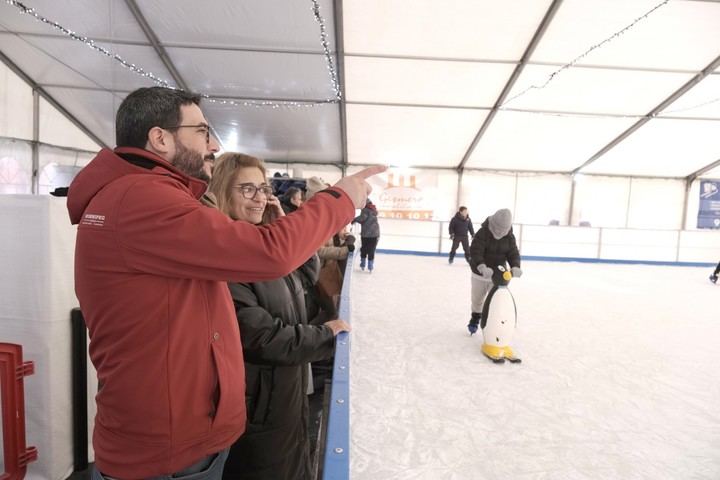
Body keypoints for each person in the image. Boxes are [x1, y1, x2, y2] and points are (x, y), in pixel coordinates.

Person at [66, 86, 384, 480]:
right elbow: (270, 255)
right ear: (160, 137)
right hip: (167, 451)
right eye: (201, 131)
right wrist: (341, 199)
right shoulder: (141, 199)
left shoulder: (144, 196)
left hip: (185, 436)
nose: (213, 143)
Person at [206, 153, 350, 480]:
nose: (260, 198)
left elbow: (306, 275)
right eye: (247, 189)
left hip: (285, 395)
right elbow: (260, 337)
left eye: (263, 188)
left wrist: (282, 229)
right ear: (223, 190)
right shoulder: (224, 256)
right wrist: (323, 336)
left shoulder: (262, 246)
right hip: (256, 408)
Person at [467, 208, 522, 335]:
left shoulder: (509, 236)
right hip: (479, 274)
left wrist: (515, 266)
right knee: (477, 299)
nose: (499, 232)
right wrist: (481, 266)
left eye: (503, 230)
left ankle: (494, 324)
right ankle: (475, 318)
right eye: (497, 229)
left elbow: (513, 252)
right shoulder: (483, 233)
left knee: (496, 301)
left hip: (497, 276)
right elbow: (476, 251)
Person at [352, 198, 380, 272]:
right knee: (371, 249)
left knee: (364, 248)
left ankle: (363, 264)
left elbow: (362, 218)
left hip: (366, 234)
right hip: (375, 234)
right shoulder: (374, 209)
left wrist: (353, 219)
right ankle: (370, 265)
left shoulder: (365, 209)